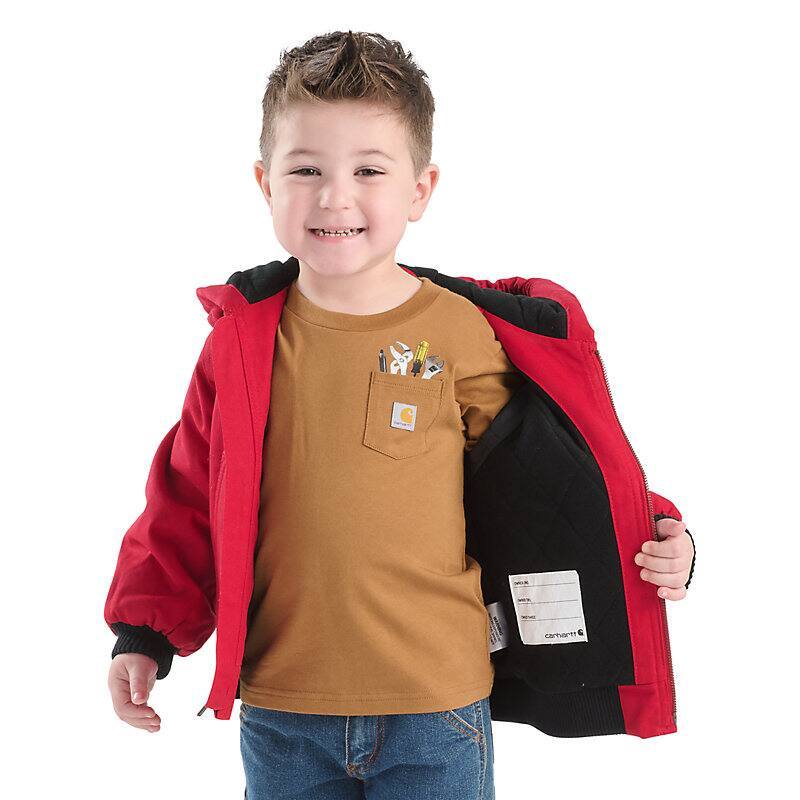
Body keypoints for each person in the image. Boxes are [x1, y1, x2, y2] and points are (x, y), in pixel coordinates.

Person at [105, 30, 695, 800]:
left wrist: (660, 526)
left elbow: (553, 471)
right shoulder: (240, 347)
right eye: (306, 169)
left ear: (419, 190)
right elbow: (184, 499)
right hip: (283, 707)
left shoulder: (459, 330)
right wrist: (144, 633)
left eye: (368, 170)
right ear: (264, 182)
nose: (334, 196)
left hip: (437, 706)